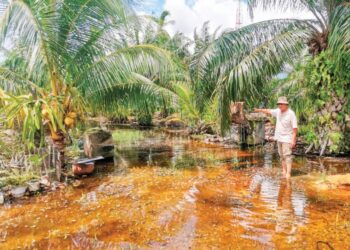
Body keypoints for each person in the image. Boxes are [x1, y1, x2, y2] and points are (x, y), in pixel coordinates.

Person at [254, 97, 298, 179]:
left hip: (287, 139)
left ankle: (288, 173)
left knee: (287, 156)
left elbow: (295, 128)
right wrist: (259, 110)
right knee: (281, 156)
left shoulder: (291, 114)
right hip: (279, 138)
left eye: (281, 104)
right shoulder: (278, 111)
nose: (279, 105)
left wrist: (293, 140)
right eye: (278, 104)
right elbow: (268, 111)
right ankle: (284, 171)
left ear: (286, 104)